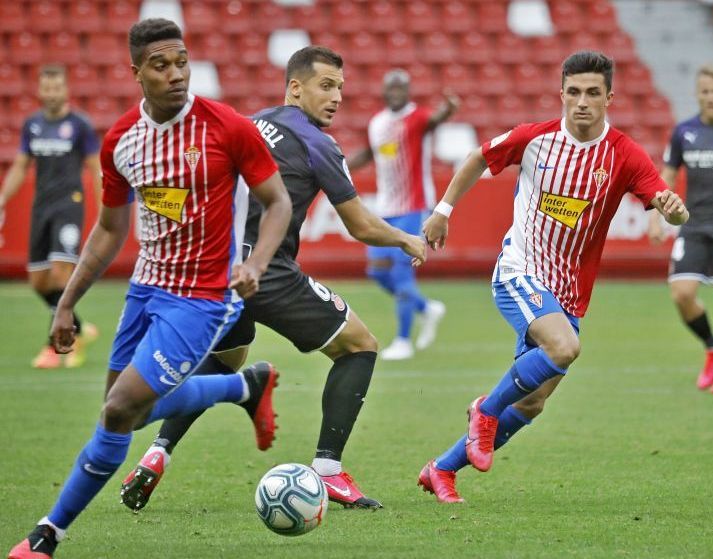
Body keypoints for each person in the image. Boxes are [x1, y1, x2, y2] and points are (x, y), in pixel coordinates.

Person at [8, 18, 293, 559]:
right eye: (160, 65)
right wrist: (67, 301)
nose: (176, 74)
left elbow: (277, 201)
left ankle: (47, 536)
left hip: (204, 297)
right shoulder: (122, 141)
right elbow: (110, 229)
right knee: (126, 413)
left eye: (181, 61)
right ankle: (244, 388)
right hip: (146, 289)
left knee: (119, 411)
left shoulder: (226, 127)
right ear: (136, 71)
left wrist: (255, 262)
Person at [118, 46, 428, 513]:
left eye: (340, 87)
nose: (337, 97)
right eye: (326, 85)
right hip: (268, 273)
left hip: (217, 272)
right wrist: (407, 240)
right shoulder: (318, 144)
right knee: (359, 346)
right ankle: (329, 470)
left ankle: (156, 454)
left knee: (226, 359)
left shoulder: (252, 120)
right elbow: (360, 226)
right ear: (296, 87)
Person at [416, 51, 689, 503]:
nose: (582, 102)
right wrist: (443, 211)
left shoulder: (623, 154)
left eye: (593, 93)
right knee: (565, 348)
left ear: (609, 98)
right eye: (574, 92)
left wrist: (672, 209)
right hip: (518, 271)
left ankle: (441, 469)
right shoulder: (535, 139)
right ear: (561, 93)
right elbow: (478, 158)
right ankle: (483, 410)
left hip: (568, 294)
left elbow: (662, 196)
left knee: (532, 402)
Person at [648, 64, 713, 395]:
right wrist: (655, 215)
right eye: (704, 91)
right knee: (682, 293)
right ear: (697, 94)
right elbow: (667, 173)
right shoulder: (684, 132)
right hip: (692, 225)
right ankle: (711, 346)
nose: (710, 97)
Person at [347, 70, 460, 360]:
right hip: (385, 209)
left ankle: (403, 340)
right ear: (384, 91)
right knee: (378, 270)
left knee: (401, 270)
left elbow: (436, 119)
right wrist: (340, 167)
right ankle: (426, 308)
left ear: (408, 91)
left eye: (401, 87)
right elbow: (370, 154)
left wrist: (447, 109)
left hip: (414, 206)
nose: (396, 92)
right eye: (391, 87)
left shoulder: (418, 118)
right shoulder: (378, 123)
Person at [0, 64, 102, 369]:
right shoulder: (33, 125)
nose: (52, 93)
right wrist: (3, 198)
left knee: (61, 274)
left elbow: (95, 167)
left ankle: (57, 345)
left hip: (69, 205)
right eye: (47, 88)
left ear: (66, 89)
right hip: (40, 207)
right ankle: (81, 327)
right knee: (39, 282)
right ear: (40, 91)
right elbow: (20, 166)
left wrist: (104, 208)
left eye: (57, 87)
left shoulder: (80, 125)